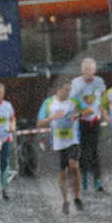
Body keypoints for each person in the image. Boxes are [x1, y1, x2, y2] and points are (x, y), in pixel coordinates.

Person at [37, 79, 83, 215]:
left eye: (70, 90)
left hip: (73, 140)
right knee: (62, 173)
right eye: (66, 90)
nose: (69, 93)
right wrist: (53, 117)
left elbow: (89, 110)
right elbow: (39, 123)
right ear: (58, 89)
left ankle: (77, 197)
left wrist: (78, 115)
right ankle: (66, 200)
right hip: (57, 143)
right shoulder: (49, 103)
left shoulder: (74, 101)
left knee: (73, 166)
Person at [70, 58, 107, 192]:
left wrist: (103, 112)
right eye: (85, 69)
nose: (87, 72)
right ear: (81, 70)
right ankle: (84, 177)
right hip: (81, 122)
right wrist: (82, 108)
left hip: (94, 121)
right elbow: (72, 102)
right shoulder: (76, 83)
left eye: (90, 69)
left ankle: (97, 180)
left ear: (94, 71)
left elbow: (103, 98)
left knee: (95, 150)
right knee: (83, 151)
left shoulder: (99, 82)